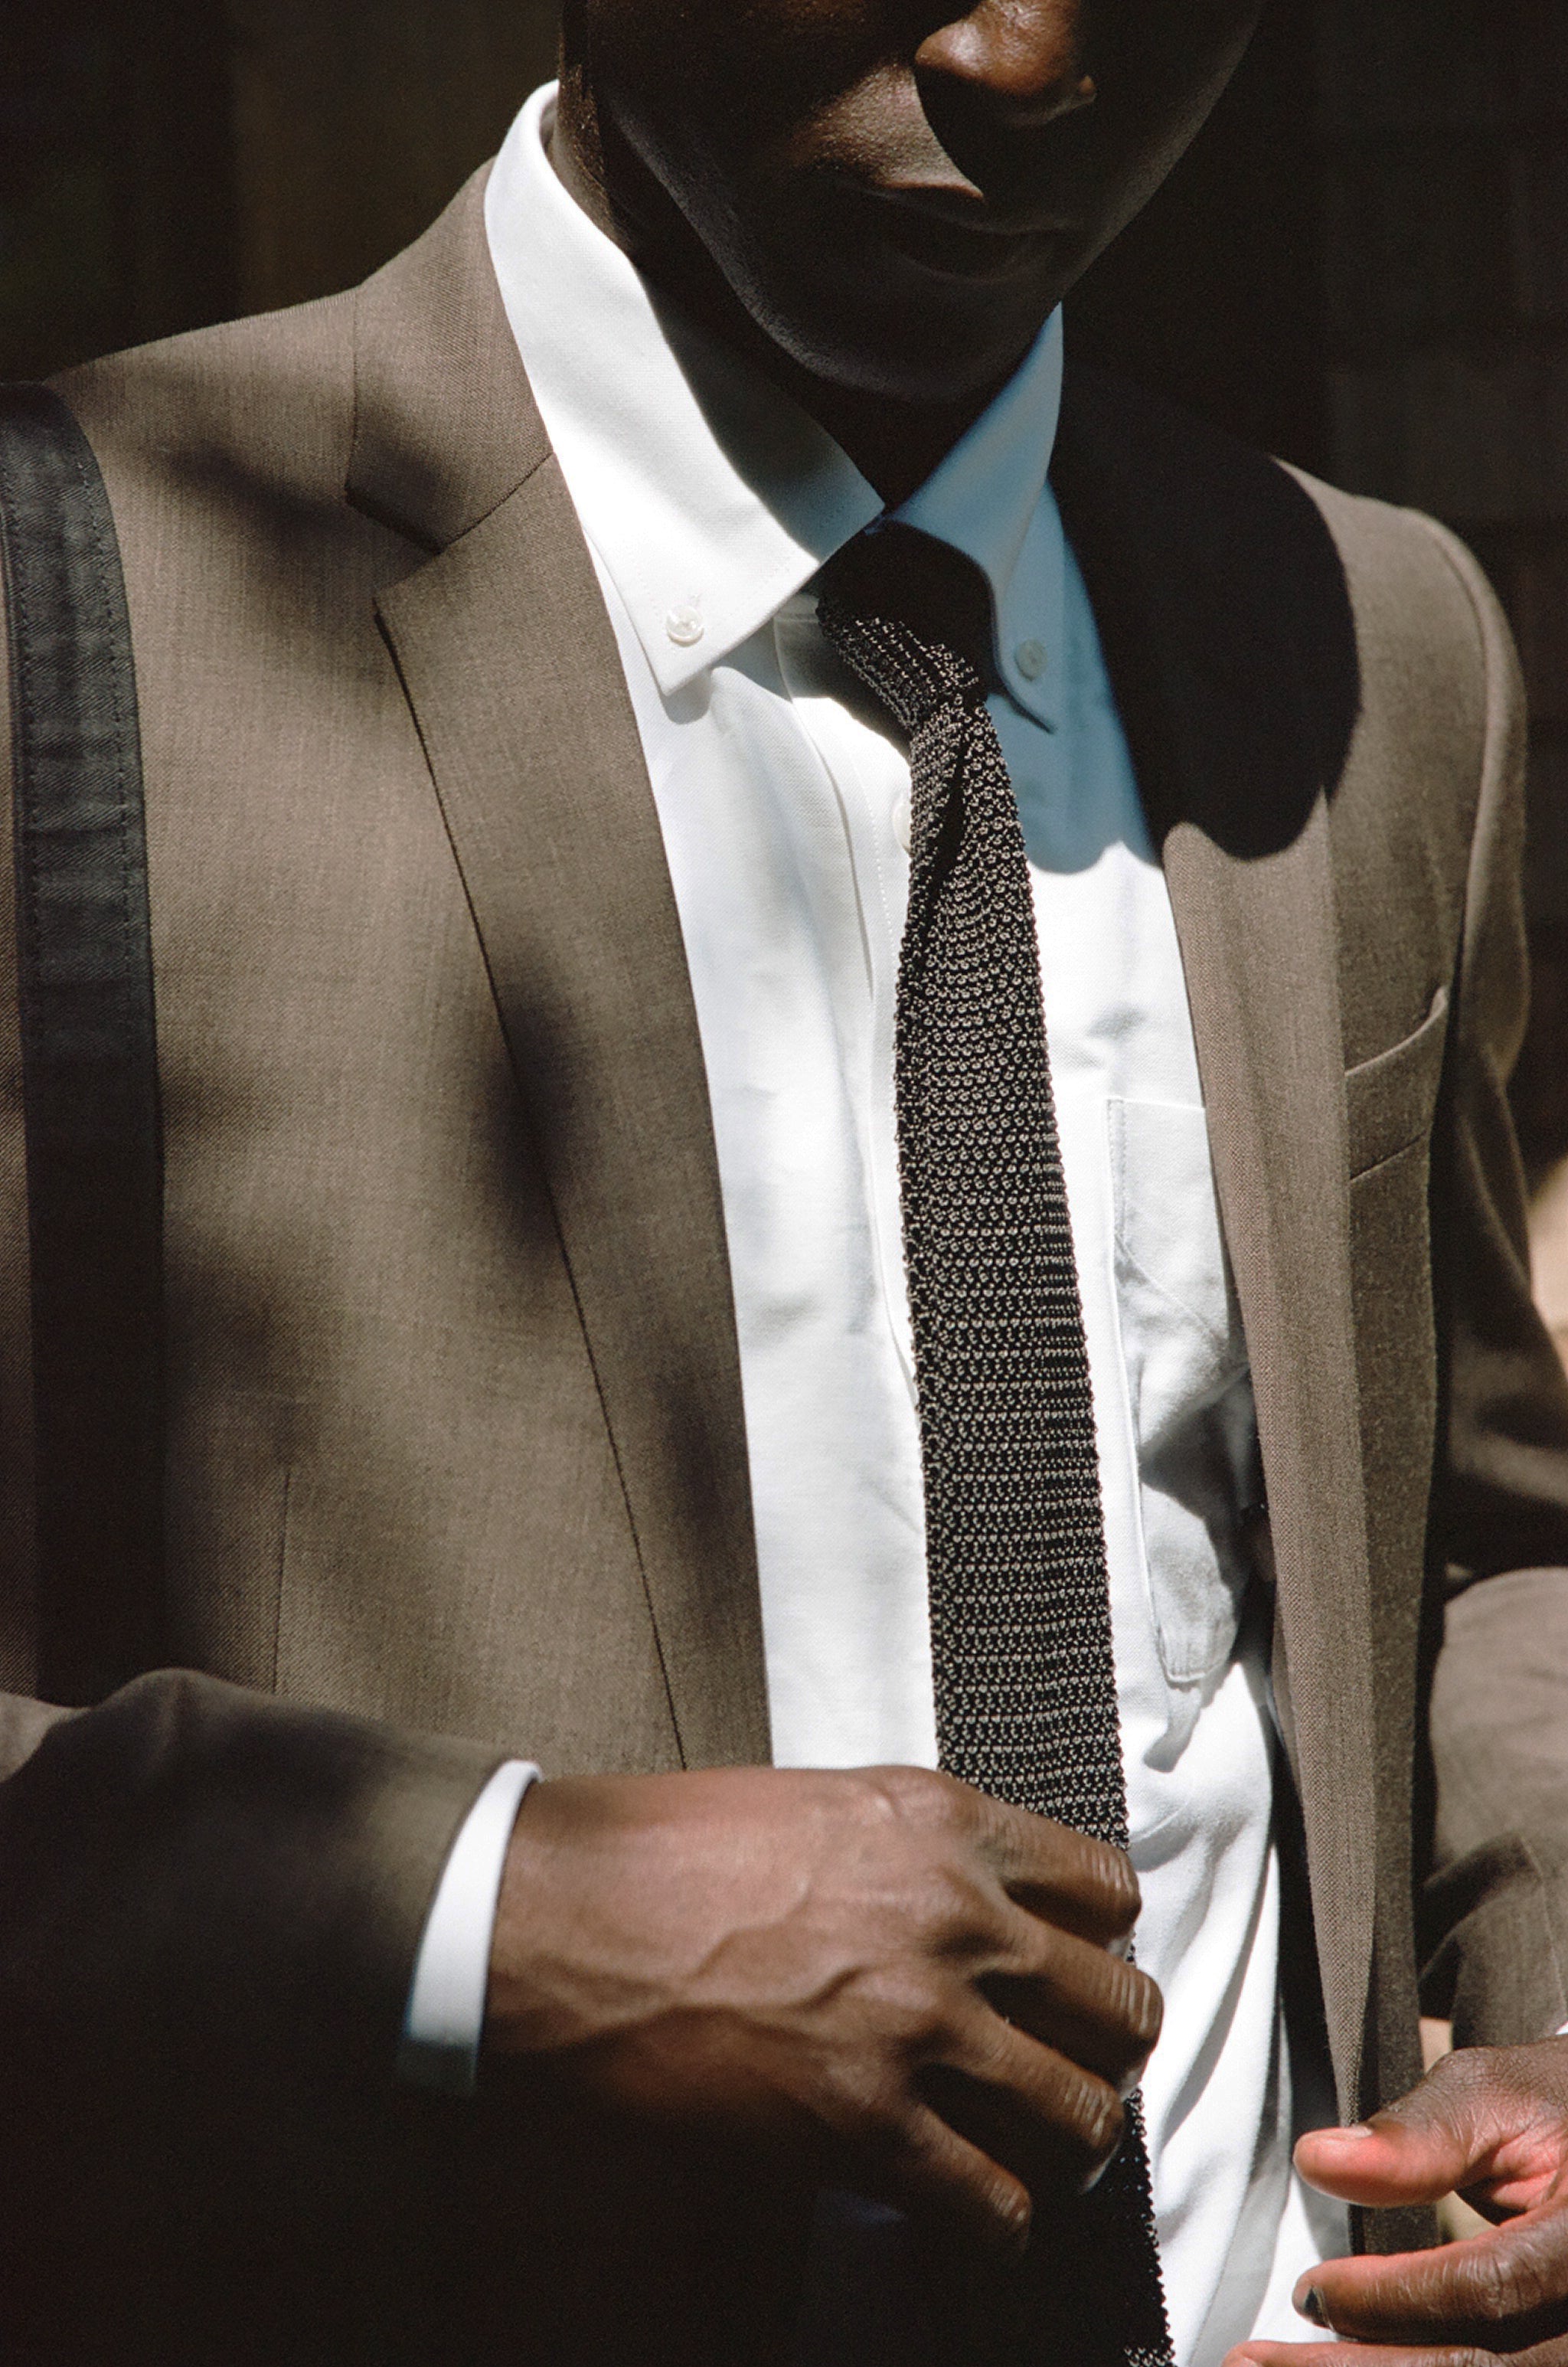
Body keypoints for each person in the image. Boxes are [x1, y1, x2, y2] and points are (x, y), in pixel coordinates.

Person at [2, 2, 1568, 2362]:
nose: (1034, 53)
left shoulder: (1368, 642)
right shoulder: (68, 624)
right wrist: (498, 1911)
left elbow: (1461, 1539)